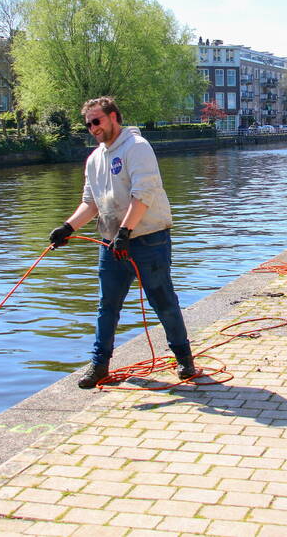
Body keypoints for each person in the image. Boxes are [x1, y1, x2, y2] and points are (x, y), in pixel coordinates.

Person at [48, 97, 197, 389]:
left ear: (113, 117)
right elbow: (90, 203)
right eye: (88, 123)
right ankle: (99, 365)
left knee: (163, 302)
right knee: (107, 306)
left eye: (97, 121)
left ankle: (184, 359)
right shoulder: (94, 159)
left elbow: (143, 194)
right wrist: (67, 227)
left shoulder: (137, 148)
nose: (92, 128)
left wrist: (126, 232)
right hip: (111, 244)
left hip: (148, 240)